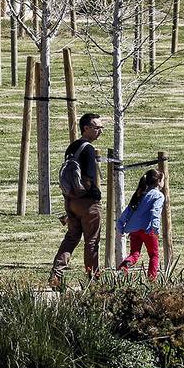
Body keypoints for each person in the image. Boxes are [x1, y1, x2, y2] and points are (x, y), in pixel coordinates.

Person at [49, 112, 104, 287]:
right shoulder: (88, 149)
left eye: (101, 127)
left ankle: (56, 275)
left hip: (70, 201)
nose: (100, 131)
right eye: (97, 127)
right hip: (87, 203)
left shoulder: (72, 147)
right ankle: (93, 279)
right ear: (85, 128)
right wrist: (95, 194)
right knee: (92, 241)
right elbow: (88, 179)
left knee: (71, 238)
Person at [117, 169, 165, 280]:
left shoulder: (139, 194)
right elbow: (155, 212)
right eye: (163, 180)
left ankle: (123, 267)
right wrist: (156, 228)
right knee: (154, 255)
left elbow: (127, 212)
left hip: (134, 230)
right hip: (148, 230)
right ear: (158, 182)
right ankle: (151, 279)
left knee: (134, 254)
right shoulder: (158, 195)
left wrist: (120, 228)